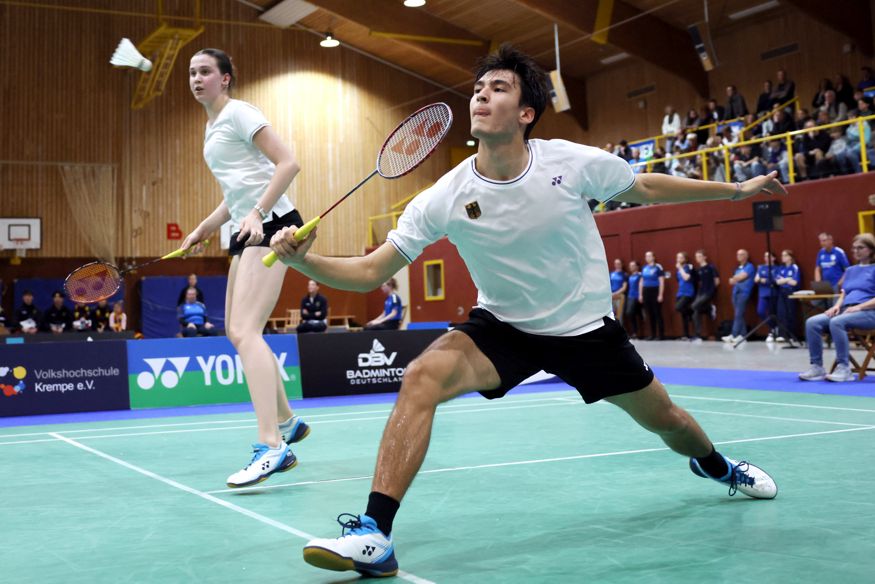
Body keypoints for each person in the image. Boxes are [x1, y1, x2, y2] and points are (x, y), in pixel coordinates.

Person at [270, 45, 781, 577]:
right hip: (505, 328)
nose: (482, 95)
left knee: (670, 423)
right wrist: (306, 260)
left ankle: (717, 466)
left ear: (526, 113)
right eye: (477, 88)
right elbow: (372, 271)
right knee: (421, 376)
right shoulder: (444, 195)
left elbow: (645, 186)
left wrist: (733, 191)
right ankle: (375, 535)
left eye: (499, 88)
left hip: (586, 332)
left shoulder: (571, 163)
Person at [178, 48, 309, 488]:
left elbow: (287, 163)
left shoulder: (239, 114)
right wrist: (205, 226)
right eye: (192, 73)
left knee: (247, 331)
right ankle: (288, 422)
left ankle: (272, 445)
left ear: (226, 78)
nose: (197, 79)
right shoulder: (211, 127)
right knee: (237, 332)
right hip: (244, 228)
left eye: (205, 72)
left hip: (271, 226)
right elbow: (236, 189)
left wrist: (256, 212)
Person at [800, 233, 875, 382]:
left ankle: (844, 368)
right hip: (846, 310)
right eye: (854, 248)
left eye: (860, 248)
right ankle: (817, 367)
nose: (856, 251)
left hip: (869, 312)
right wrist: (836, 306)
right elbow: (844, 292)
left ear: (871, 250)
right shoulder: (850, 270)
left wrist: (860, 307)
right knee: (812, 322)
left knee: (837, 322)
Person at [723, 249, 755, 343]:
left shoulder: (750, 266)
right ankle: (743, 335)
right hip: (735, 292)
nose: (739, 256)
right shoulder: (738, 268)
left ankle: (734, 334)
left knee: (738, 314)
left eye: (741, 254)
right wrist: (735, 279)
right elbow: (733, 280)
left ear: (746, 256)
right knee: (739, 315)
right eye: (737, 254)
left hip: (744, 292)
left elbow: (741, 277)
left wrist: (735, 279)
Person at [691, 250, 720, 342]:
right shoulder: (698, 270)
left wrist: (712, 290)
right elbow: (699, 282)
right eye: (696, 256)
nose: (698, 258)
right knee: (695, 312)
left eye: (700, 256)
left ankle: (709, 308)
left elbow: (717, 281)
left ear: (704, 257)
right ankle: (698, 334)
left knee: (693, 306)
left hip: (708, 292)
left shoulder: (711, 267)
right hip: (701, 292)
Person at [774, 249, 801, 342]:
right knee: (781, 313)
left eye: (785, 255)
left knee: (791, 313)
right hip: (781, 292)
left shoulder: (794, 267)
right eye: (782, 255)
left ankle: (791, 335)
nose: (783, 257)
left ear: (790, 257)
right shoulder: (781, 268)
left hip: (791, 293)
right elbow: (777, 281)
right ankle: (782, 335)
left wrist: (784, 279)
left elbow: (794, 282)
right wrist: (788, 279)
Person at [814, 232, 850, 297]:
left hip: (837, 284)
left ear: (830, 240)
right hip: (825, 286)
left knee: (835, 304)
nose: (822, 243)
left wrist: (840, 283)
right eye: (820, 241)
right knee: (818, 303)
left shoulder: (839, 252)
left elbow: (847, 270)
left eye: (824, 241)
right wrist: (818, 283)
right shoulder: (821, 252)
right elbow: (817, 268)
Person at [639, 251, 665, 340]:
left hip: (655, 291)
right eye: (646, 256)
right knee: (649, 314)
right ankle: (652, 334)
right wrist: (640, 294)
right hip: (646, 292)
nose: (647, 258)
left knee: (657, 313)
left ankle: (661, 335)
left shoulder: (658, 267)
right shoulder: (644, 268)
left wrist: (660, 294)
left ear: (653, 257)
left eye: (649, 256)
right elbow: (641, 282)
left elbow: (661, 281)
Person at [754, 251, 779, 342]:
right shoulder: (760, 267)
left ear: (773, 258)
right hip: (762, 293)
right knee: (761, 311)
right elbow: (756, 279)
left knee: (773, 312)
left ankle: (773, 332)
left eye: (768, 256)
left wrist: (765, 280)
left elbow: (775, 280)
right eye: (765, 256)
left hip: (773, 293)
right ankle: (773, 327)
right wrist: (763, 280)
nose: (766, 258)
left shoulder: (777, 268)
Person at [675, 252, 695, 339]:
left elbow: (686, 278)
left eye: (680, 257)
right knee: (683, 315)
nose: (678, 259)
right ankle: (686, 334)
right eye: (677, 257)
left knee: (678, 307)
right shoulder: (679, 270)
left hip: (688, 292)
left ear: (685, 259)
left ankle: (690, 313)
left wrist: (680, 268)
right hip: (680, 292)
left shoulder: (689, 267)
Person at [624, 260, 643, 338]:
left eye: (633, 265)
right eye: (630, 266)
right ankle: (635, 332)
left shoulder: (640, 275)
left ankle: (637, 332)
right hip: (630, 296)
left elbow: (641, 286)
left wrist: (640, 295)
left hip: (636, 296)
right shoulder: (630, 276)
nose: (631, 267)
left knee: (631, 312)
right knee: (631, 314)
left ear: (637, 267)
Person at [609, 258, 627, 328]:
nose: (617, 265)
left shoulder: (624, 274)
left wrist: (616, 293)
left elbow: (624, 287)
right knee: (612, 315)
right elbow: (608, 284)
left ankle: (620, 332)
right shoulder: (611, 274)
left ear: (621, 264)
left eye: (619, 263)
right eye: (616, 263)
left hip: (620, 296)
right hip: (611, 296)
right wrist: (611, 293)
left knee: (619, 315)